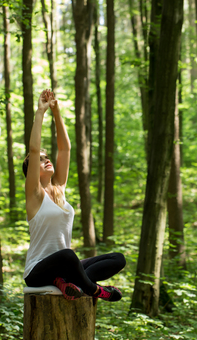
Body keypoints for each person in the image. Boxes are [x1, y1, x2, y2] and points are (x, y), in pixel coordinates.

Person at [23, 89, 126, 301]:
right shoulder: (35, 195)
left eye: (47, 157)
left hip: (65, 269)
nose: (46, 160)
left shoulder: (59, 189)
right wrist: (40, 112)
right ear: (33, 170)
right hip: (37, 272)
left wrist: (56, 111)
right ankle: (95, 290)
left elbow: (65, 149)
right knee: (69, 255)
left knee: (118, 259)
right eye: (42, 160)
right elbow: (33, 150)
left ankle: (66, 283)